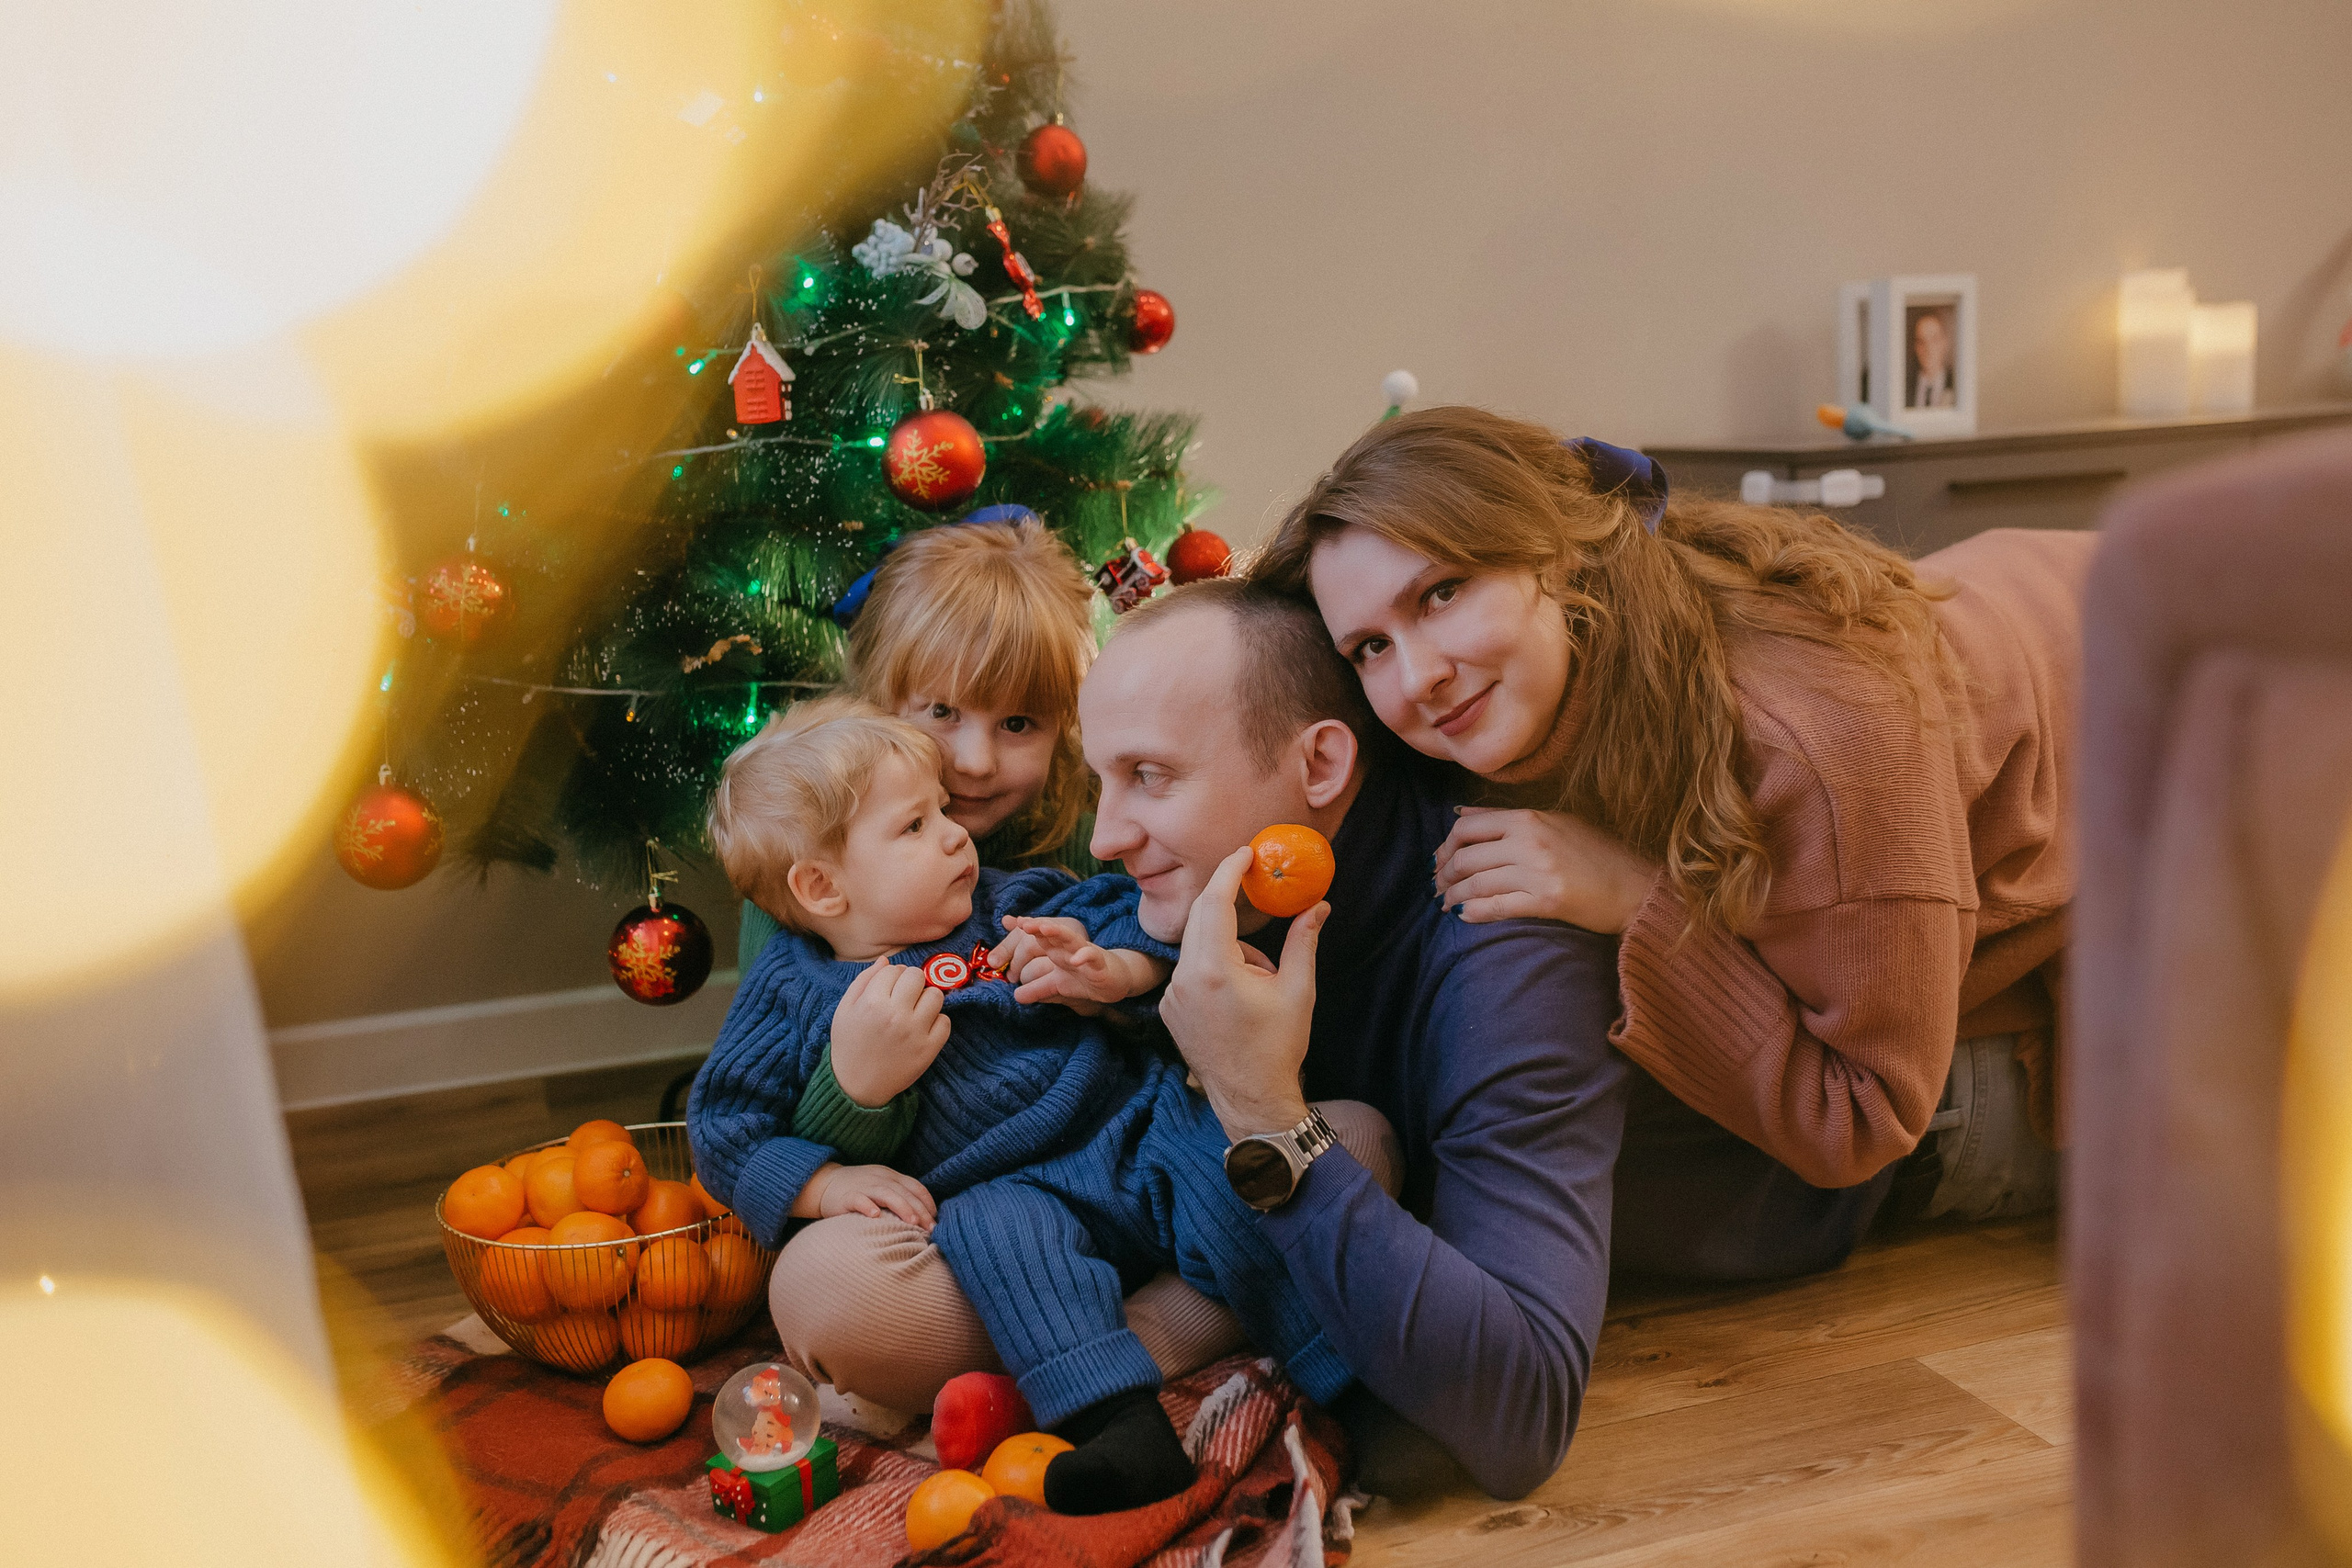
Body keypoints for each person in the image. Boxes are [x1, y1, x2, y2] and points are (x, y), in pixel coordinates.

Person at [765, 580, 1629, 1501]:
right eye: (1102, 779)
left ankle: (1108, 1361)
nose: (1100, 839)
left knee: (1356, 1141)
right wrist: (849, 1113)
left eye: (1151, 775)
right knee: (828, 1288)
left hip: (1178, 1189)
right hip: (1036, 1221)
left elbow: (1519, 1423)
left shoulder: (1499, 960)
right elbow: (745, 1122)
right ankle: (1084, 1352)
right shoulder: (1204, 878)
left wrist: (1252, 1094)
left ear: (1321, 764)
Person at [1253, 405, 2087, 1279]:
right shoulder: (1537, 678)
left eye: (1443, 592)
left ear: (1559, 552)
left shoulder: (1821, 744)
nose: (1418, 676)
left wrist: (1636, 897)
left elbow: (1865, 1114)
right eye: (1372, 645)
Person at [689, 696, 1348, 1512]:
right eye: (914, 826)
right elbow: (723, 1129)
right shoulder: (789, 995)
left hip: (1135, 1123)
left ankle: (1349, 1380)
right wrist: (827, 1182)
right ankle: (1123, 1427)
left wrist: (1105, 965)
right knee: (1001, 1244)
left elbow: (1134, 916)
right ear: (822, 887)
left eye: (939, 810)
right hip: (1008, 1190)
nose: (955, 832)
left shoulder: (1011, 898)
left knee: (1232, 1188)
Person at [736, 512, 1104, 971]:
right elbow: (770, 1028)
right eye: (942, 712)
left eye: (1017, 724)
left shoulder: (1101, 849)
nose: (976, 763)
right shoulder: (810, 855)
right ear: (878, 701)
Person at [1909, 307, 1957, 409]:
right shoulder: (1903, 386)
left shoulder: (1957, 384)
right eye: (1921, 342)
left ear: (1944, 343)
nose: (1928, 348)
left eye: (1934, 340)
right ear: (1915, 347)